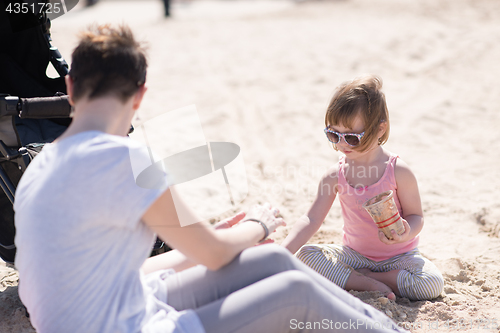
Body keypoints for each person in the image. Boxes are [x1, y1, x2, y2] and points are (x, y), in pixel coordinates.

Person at [14, 26, 408, 333]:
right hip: (122, 323)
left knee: (270, 257)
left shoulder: (39, 167)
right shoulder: (123, 158)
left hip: (103, 307)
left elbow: (128, 270)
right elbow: (216, 255)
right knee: (294, 293)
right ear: (139, 95)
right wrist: (257, 226)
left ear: (69, 87)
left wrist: (215, 235)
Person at [281, 75, 444, 301]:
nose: (341, 144)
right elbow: (311, 220)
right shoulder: (335, 175)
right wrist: (280, 253)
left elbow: (416, 216)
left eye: (351, 138)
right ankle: (365, 281)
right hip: (355, 256)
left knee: (431, 284)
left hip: (399, 256)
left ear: (379, 129)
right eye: (333, 134)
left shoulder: (398, 171)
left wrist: (407, 232)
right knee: (307, 256)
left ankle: (372, 278)